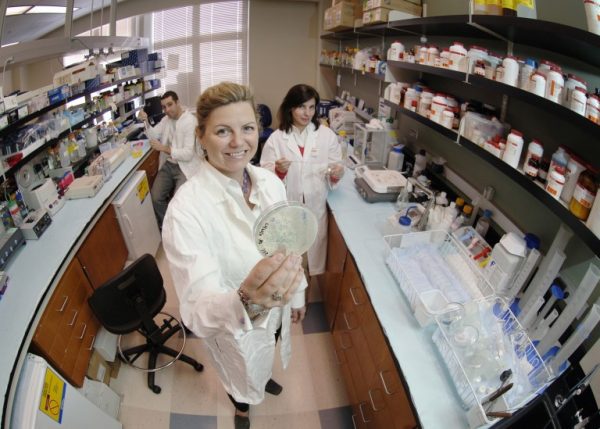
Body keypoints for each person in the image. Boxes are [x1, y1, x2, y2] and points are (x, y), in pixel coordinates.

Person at [161, 82, 307, 429]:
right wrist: (244, 301)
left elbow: (289, 246)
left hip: (275, 312)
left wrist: (297, 294)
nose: (238, 142)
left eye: (247, 128)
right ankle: (241, 408)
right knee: (241, 372)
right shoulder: (186, 210)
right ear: (201, 136)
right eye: (222, 131)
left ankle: (261, 377)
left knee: (266, 349)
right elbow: (196, 311)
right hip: (232, 328)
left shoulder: (270, 183)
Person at [260, 84, 344, 277]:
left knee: (313, 255)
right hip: (289, 204)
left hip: (316, 203)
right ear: (291, 107)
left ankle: (308, 292)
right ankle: (292, 296)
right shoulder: (277, 138)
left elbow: (335, 165)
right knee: (289, 256)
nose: (307, 113)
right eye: (301, 107)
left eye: (311, 107)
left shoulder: (326, 135)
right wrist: (278, 171)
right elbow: (265, 173)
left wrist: (336, 173)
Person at [138, 90, 202, 228]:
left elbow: (188, 154)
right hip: (169, 164)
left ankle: (183, 226)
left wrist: (164, 148)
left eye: (170, 104)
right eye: (164, 107)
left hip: (185, 166)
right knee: (155, 198)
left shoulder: (190, 121)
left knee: (179, 202)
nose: (167, 109)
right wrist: (145, 121)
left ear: (178, 102)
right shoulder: (166, 120)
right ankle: (170, 226)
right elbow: (153, 134)